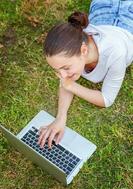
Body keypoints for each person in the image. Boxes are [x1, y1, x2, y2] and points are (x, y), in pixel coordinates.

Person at [38, 0, 133, 149]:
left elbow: (106, 99)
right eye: (58, 70)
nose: (62, 75)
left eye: (65, 68)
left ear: (83, 51)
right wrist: (60, 117)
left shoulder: (116, 54)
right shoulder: (75, 41)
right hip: (103, 11)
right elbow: (66, 82)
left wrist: (71, 85)